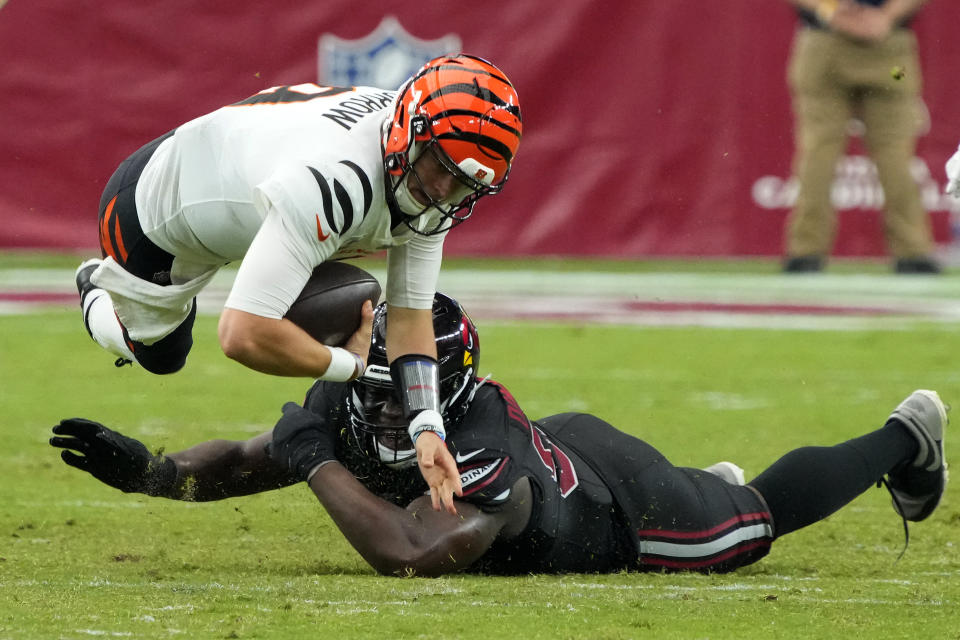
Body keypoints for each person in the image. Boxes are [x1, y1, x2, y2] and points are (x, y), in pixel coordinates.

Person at [51, 294, 949, 576]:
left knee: (749, 520)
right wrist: (154, 476)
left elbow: (410, 553)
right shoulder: (357, 389)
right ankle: (699, 477)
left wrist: (316, 457)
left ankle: (904, 438)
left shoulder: (481, 451)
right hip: (568, 450)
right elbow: (253, 460)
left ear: (448, 388)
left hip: (615, 509)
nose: (396, 401)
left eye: (415, 390)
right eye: (389, 379)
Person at [74, 54, 522, 511]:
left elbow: (410, 317)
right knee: (161, 355)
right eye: (440, 167)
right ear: (410, 131)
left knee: (335, 281)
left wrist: (427, 426)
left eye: (465, 183)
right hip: (154, 216)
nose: (445, 191)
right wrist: (348, 366)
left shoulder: (423, 166)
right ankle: (95, 291)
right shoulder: (338, 180)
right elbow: (242, 334)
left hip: (250, 195)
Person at [781, 0, 940, 274]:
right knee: (896, 153)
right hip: (889, 57)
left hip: (824, 48)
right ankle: (913, 252)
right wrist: (885, 17)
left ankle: (806, 252)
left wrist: (834, 13)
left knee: (819, 150)